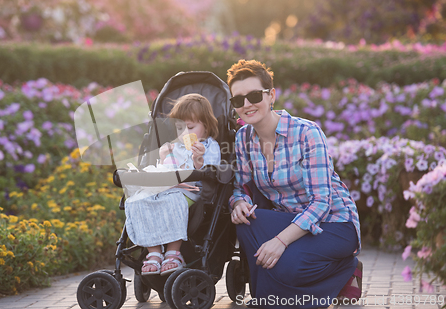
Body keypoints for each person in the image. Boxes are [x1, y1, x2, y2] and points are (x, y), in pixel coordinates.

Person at [227, 60, 362, 308]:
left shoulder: (307, 133)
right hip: (289, 220)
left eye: (254, 95)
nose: (247, 104)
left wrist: (280, 241)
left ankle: (347, 268)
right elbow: (240, 186)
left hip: (333, 222)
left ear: (271, 96)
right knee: (245, 221)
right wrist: (239, 203)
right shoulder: (242, 138)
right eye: (238, 100)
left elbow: (322, 202)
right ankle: (265, 297)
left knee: (288, 265)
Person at [125, 93, 221, 276]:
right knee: (137, 200)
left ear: (206, 127)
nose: (184, 133)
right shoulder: (175, 147)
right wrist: (165, 157)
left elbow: (210, 171)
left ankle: (173, 252)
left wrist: (198, 158)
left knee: (173, 199)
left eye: (190, 127)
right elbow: (166, 171)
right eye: (179, 128)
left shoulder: (209, 145)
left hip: (190, 190)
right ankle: (153, 253)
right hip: (166, 188)